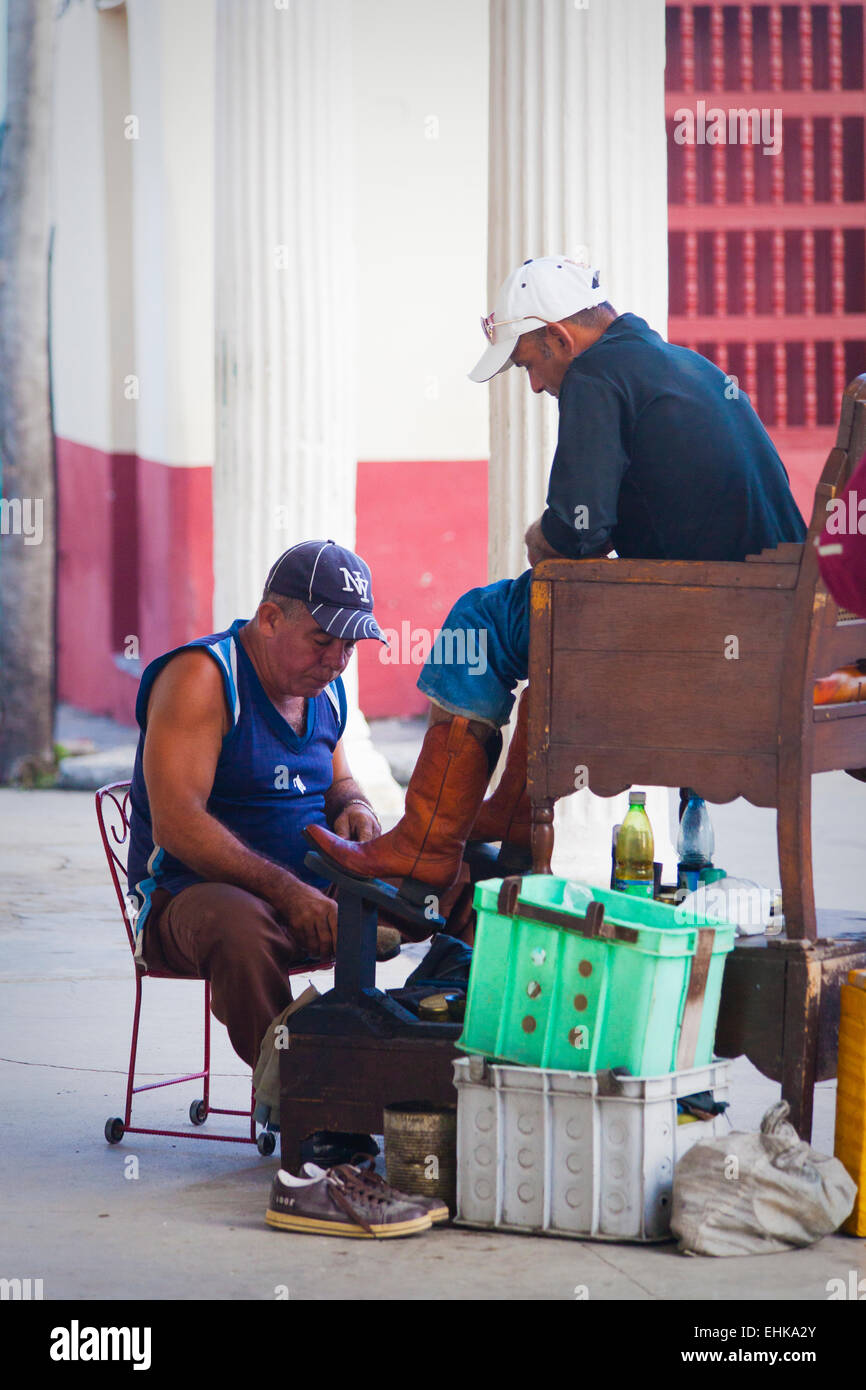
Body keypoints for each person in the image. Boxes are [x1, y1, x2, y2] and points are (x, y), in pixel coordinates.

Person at [308, 253, 808, 892]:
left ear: (559, 337)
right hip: (764, 632)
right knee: (555, 632)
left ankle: (425, 842)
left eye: (529, 365)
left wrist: (538, 537)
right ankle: (513, 819)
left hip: (701, 635)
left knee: (481, 617)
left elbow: (576, 534)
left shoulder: (598, 374)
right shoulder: (690, 367)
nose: (538, 385)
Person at [127, 539, 388, 1074]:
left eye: (348, 647)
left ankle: (430, 1069)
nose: (336, 661)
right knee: (240, 924)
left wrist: (355, 805)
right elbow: (177, 825)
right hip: (191, 902)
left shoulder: (322, 686)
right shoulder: (202, 678)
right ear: (270, 618)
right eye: (321, 641)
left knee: (457, 877)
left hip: (309, 895)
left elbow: (337, 780)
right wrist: (289, 894)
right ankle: (301, 1099)